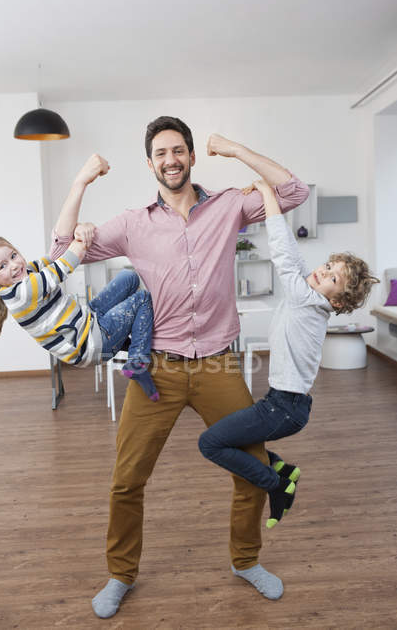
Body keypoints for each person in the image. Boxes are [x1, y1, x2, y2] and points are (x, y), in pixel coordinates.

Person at [49, 116, 310, 617]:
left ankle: (246, 560)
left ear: (191, 156)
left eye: (178, 151)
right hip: (158, 370)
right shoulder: (131, 223)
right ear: (151, 164)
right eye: (161, 153)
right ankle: (121, 574)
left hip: (218, 365)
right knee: (127, 478)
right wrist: (81, 183)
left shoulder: (230, 206)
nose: (170, 160)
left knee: (253, 468)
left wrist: (232, 147)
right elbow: (62, 251)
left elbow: (293, 190)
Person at [199, 178, 379, 528]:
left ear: (337, 300)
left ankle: (276, 483)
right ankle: (281, 466)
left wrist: (268, 194)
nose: (322, 272)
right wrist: (271, 199)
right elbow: (295, 258)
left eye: (332, 278)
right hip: (286, 406)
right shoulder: (310, 296)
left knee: (210, 444)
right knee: (229, 441)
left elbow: (282, 252)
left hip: (283, 408)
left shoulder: (307, 300)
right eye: (328, 266)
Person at [0, 155, 159, 401]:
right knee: (143, 298)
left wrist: (79, 229)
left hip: (87, 321)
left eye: (13, 255)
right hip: (91, 344)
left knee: (128, 278)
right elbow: (64, 264)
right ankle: (138, 362)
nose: (15, 265)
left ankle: (128, 341)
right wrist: (82, 235)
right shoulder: (21, 293)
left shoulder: (27, 275)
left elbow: (55, 253)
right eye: (3, 266)